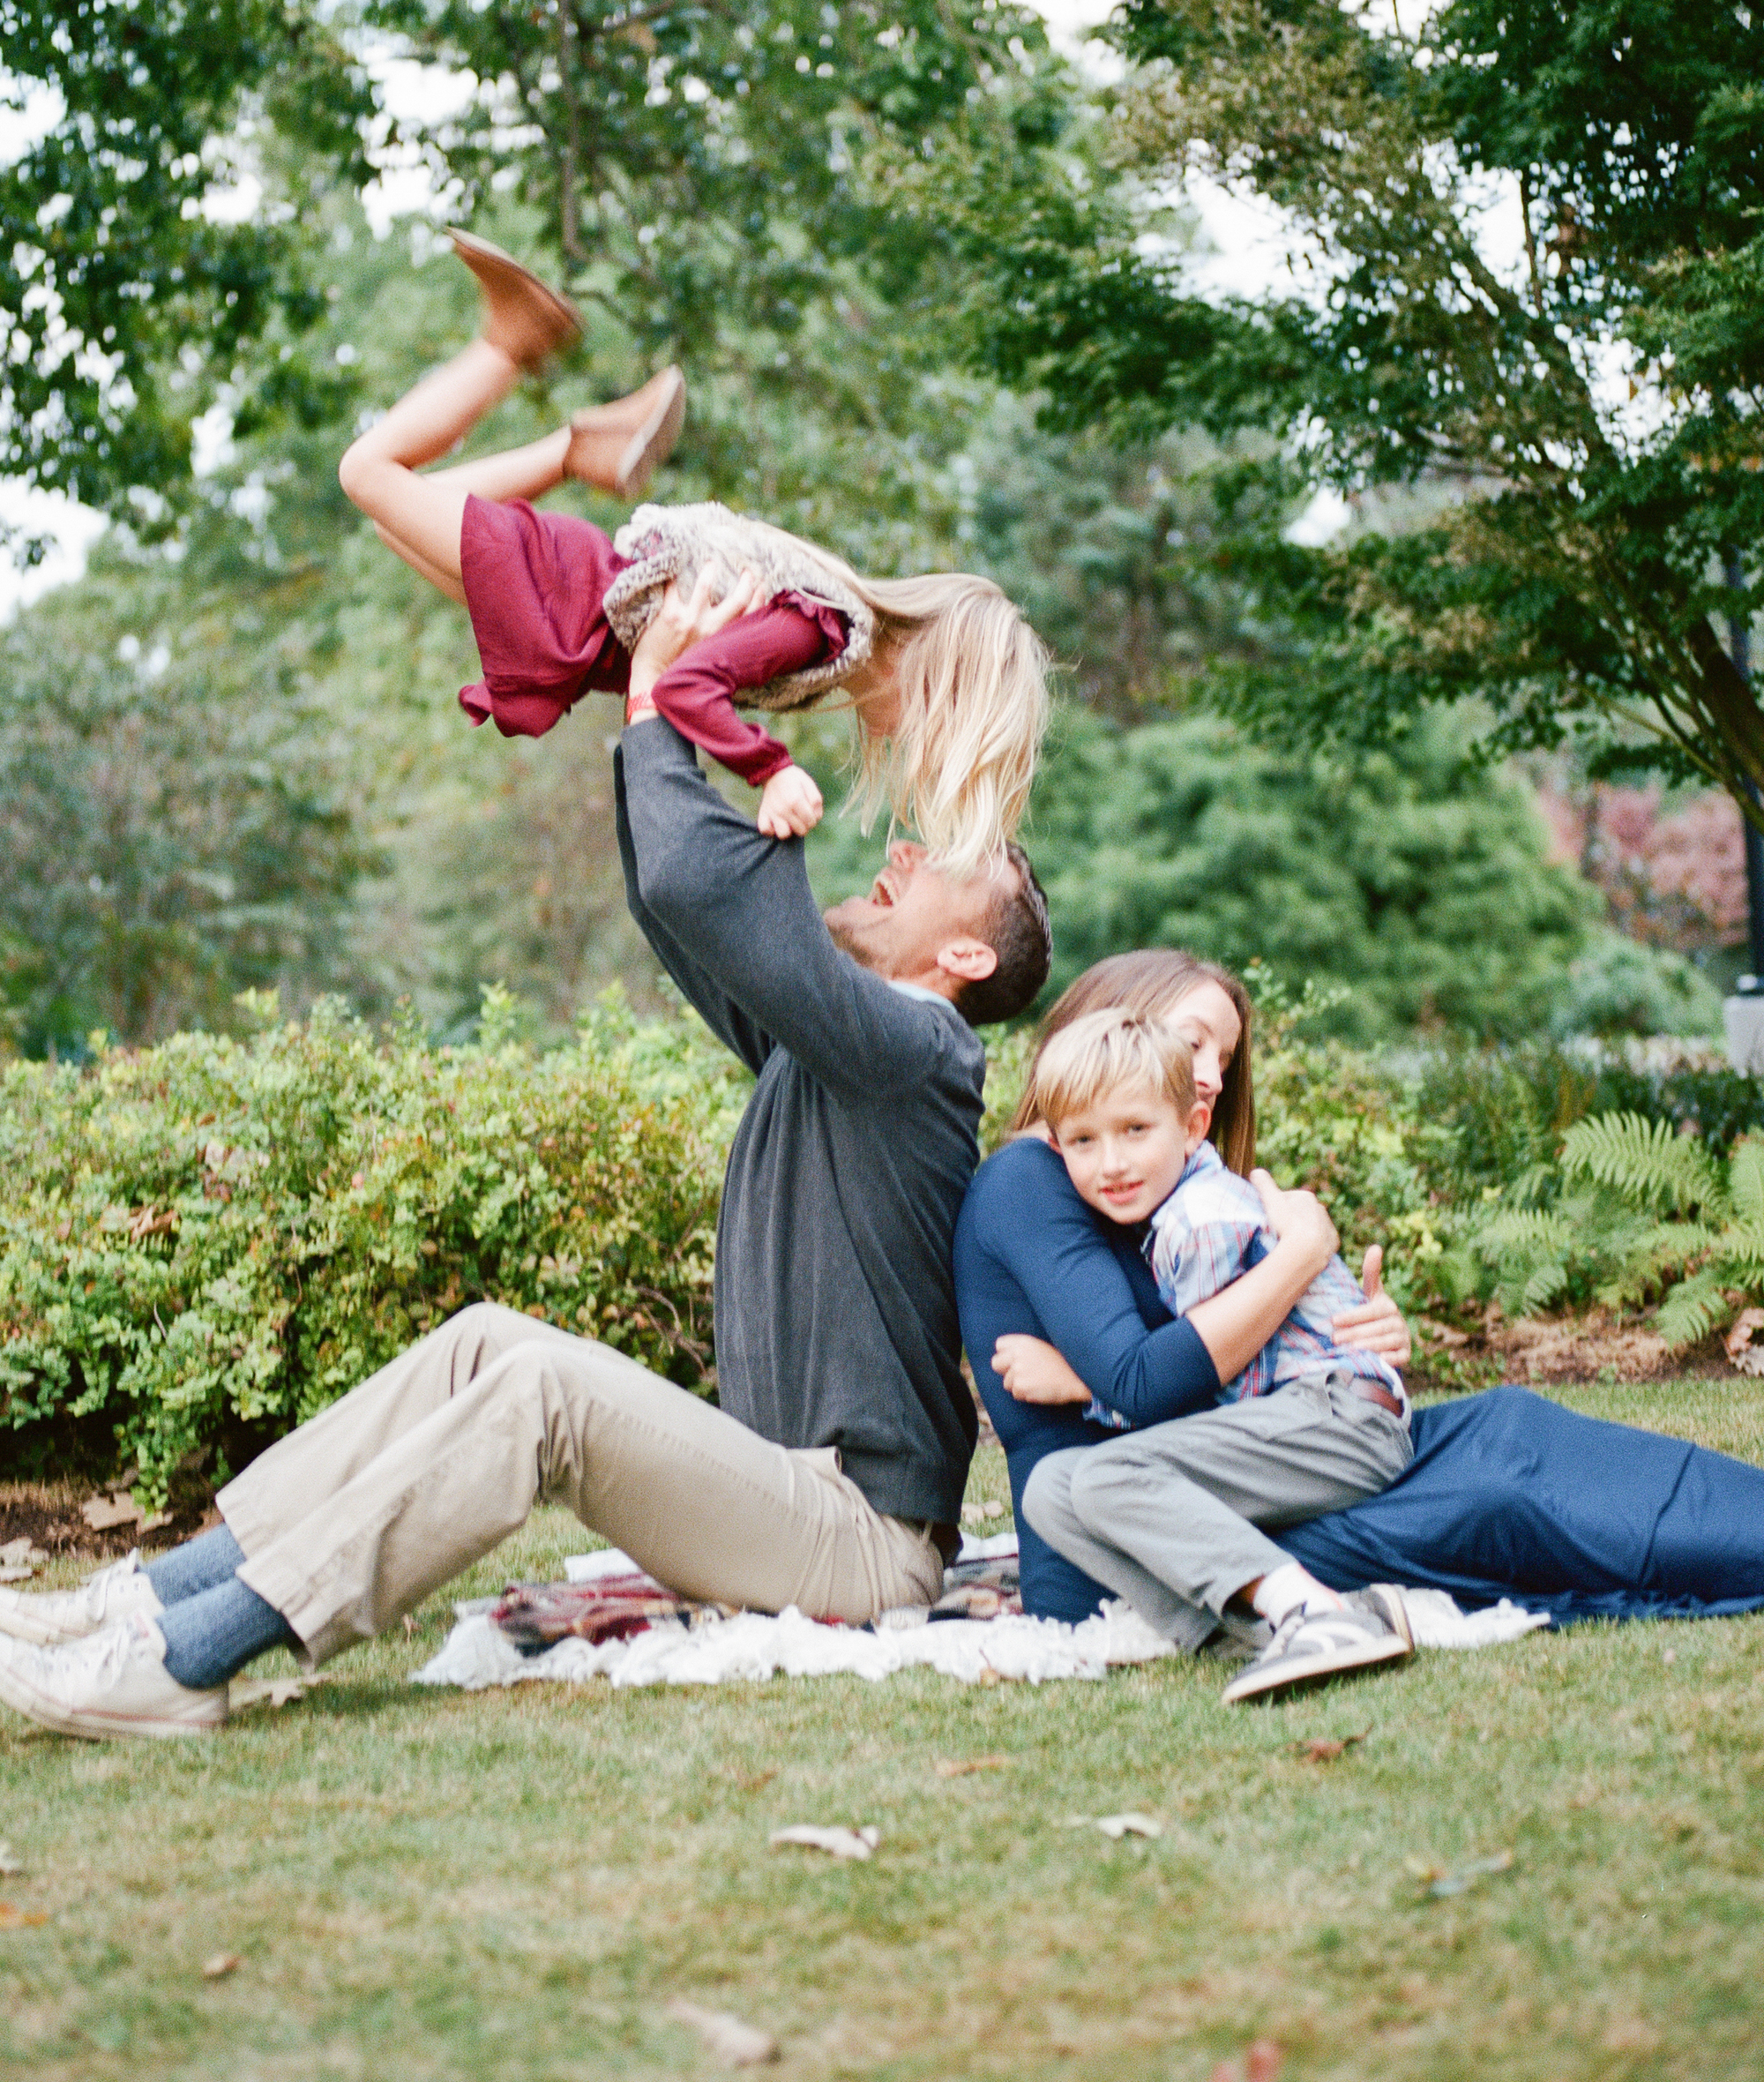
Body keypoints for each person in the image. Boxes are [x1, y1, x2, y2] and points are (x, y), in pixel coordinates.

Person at [0, 585, 1054, 1740]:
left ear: (962, 952)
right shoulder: (845, 1045)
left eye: (946, 857)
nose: (903, 845)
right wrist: (656, 712)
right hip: (784, 1490)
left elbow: (706, 885)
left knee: (543, 1391)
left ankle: (187, 1664)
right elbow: (684, 910)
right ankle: (146, 1599)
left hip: (861, 1539)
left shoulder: (923, 1051)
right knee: (485, 1344)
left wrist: (666, 689)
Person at [957, 949, 1764, 1657]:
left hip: (1229, 1473)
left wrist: (1346, 1327)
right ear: (1115, 1023)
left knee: (1510, 1429)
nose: (1210, 1071)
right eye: (1192, 1040)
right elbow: (1148, 1380)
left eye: (1224, 1058)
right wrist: (1304, 1251)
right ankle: (1306, 1614)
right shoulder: (1035, 1178)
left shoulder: (1147, 1192)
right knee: (1498, 1501)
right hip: (1149, 1530)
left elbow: (1213, 1353)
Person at [337, 231, 1050, 872]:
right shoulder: (816, 628)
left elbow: (688, 674)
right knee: (366, 474)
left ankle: (578, 450)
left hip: (577, 615)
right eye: (935, 739)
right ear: (937, 690)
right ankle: (511, 346)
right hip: (570, 594)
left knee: (390, 517)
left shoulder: (828, 654)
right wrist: (768, 768)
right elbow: (685, 687)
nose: (907, 750)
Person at [1020, 1008, 1416, 1704]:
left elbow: (1200, 1383)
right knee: (1052, 1488)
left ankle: (1320, 1614)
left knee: (1108, 1477)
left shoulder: (1199, 1223)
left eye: (1135, 1130)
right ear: (1057, 1149)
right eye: (1083, 1140)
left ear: (1193, 1127)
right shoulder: (1168, 1216)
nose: (1111, 1162)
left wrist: (1081, 1382)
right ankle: (1242, 1630)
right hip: (1298, 1420)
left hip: (1338, 1416)